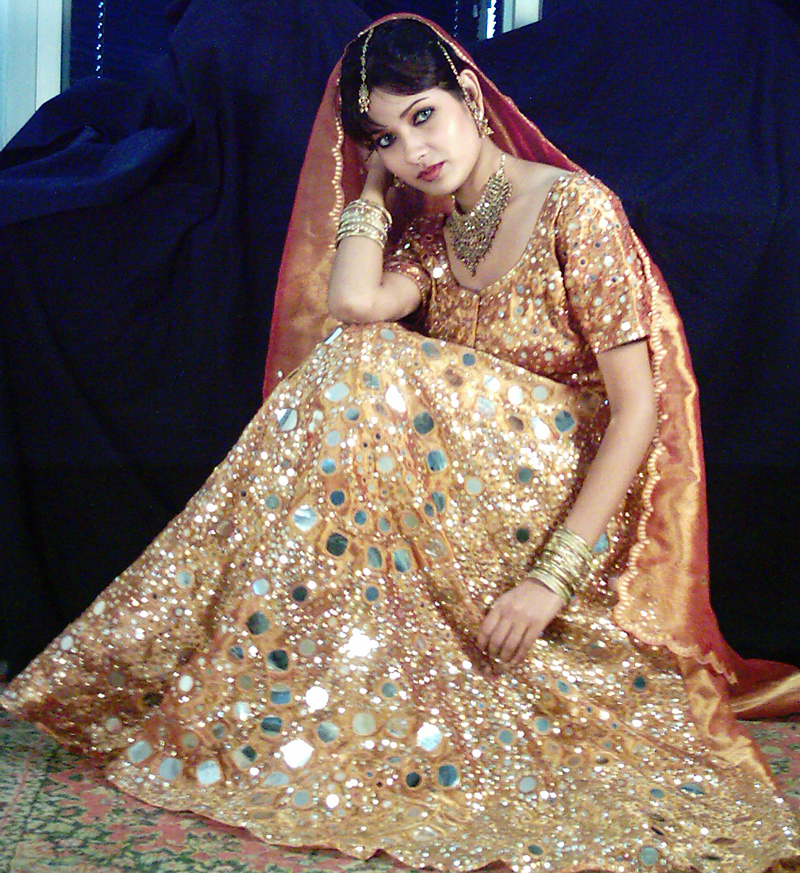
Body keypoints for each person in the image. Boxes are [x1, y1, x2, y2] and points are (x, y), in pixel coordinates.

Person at [2, 14, 799, 872]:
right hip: (470, 490)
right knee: (355, 360)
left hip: (565, 497)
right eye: (385, 137)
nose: (416, 150)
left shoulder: (575, 208)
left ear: (469, 96)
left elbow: (638, 411)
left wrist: (552, 578)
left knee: (368, 367)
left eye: (423, 116)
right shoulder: (431, 230)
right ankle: (281, 678)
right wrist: (373, 196)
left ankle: (195, 647)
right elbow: (352, 305)